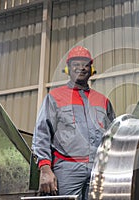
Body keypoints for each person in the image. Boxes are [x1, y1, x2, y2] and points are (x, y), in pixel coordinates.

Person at [32, 46, 116, 199]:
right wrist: (45, 169)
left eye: (85, 64)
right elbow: (42, 134)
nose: (81, 68)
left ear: (91, 69)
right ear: (68, 68)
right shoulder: (55, 97)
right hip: (66, 170)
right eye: (75, 64)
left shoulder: (103, 101)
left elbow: (112, 137)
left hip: (99, 169)